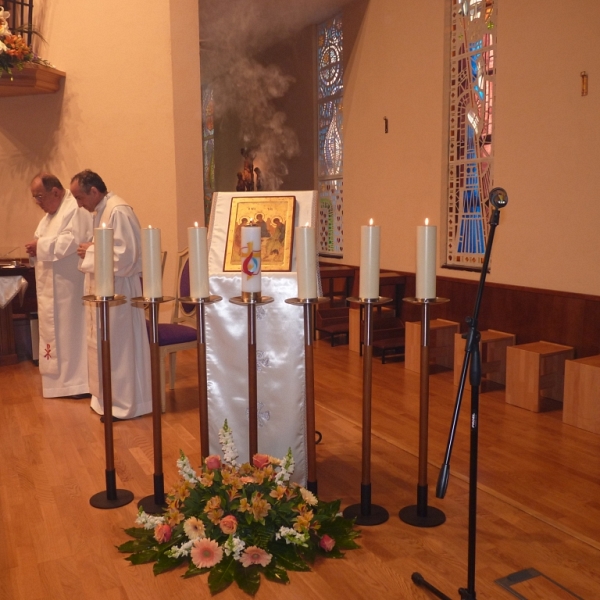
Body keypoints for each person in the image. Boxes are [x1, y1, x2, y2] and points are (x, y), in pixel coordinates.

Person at [71, 170, 152, 421]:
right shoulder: (103, 211)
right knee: (105, 345)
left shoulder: (119, 210)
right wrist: (93, 250)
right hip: (106, 288)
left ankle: (125, 404)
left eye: (80, 197)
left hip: (121, 291)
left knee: (120, 348)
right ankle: (107, 400)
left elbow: (127, 257)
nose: (79, 204)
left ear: (94, 191)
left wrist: (91, 251)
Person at [25, 173, 93, 399]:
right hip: (51, 289)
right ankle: (60, 384)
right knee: (56, 335)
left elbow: (73, 241)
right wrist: (35, 248)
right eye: (35, 198)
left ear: (55, 191)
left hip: (69, 288)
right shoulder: (47, 218)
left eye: (40, 196)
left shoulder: (74, 208)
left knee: (70, 334)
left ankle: (78, 384)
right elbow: (41, 239)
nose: (38, 202)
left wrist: (40, 246)